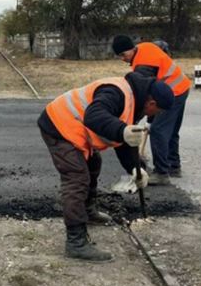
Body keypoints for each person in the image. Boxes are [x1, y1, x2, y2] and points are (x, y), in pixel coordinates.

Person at [37, 72, 174, 262]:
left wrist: (135, 168)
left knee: (94, 163)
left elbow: (123, 140)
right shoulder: (116, 92)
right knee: (77, 177)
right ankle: (76, 242)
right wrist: (122, 130)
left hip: (73, 128)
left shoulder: (135, 101)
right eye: (157, 111)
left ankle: (88, 211)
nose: (154, 116)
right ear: (151, 103)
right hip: (59, 125)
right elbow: (94, 117)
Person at [112, 35, 190, 185]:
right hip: (182, 87)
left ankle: (161, 173)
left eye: (123, 54)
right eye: (119, 56)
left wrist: (137, 120)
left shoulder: (143, 65)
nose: (122, 58)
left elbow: (142, 96)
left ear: (131, 49)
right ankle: (173, 165)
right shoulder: (145, 47)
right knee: (171, 130)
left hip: (171, 93)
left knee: (158, 130)